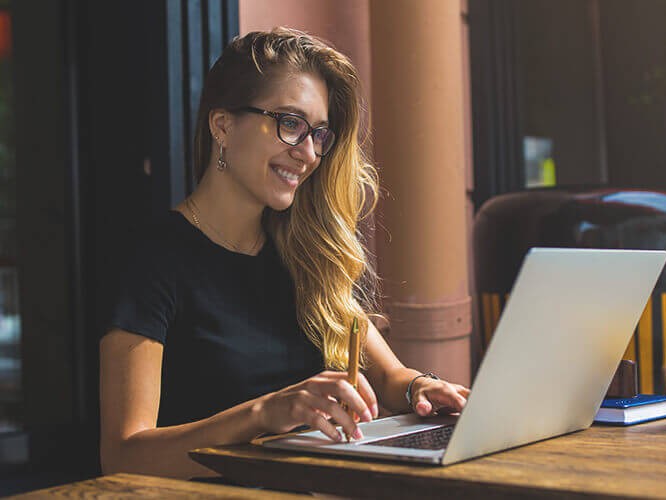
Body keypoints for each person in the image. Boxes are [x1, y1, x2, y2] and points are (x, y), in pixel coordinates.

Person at [99, 27, 470, 479]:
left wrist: (420, 388)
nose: (309, 154)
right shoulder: (154, 260)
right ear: (222, 125)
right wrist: (263, 414)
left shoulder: (306, 255)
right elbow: (122, 455)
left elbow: (391, 377)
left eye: (318, 134)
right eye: (290, 124)